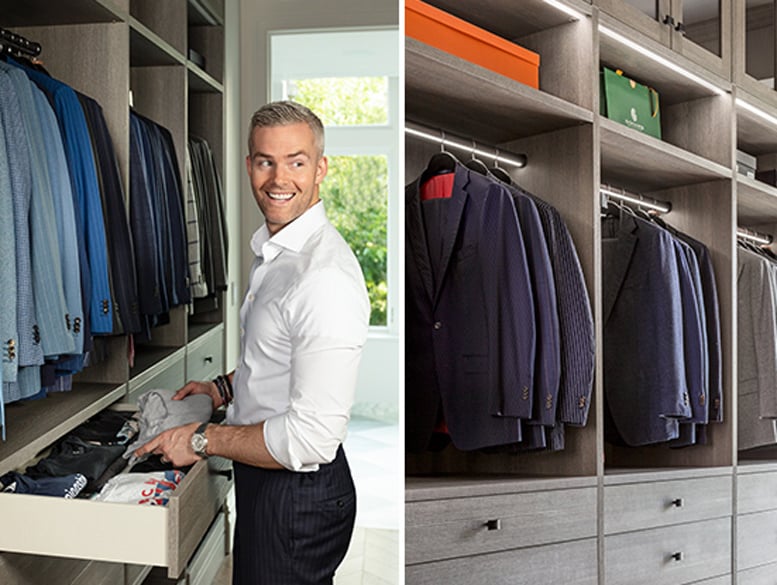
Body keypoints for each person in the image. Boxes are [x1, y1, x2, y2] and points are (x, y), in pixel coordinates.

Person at [135, 100, 371, 585]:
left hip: (297, 493)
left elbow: (311, 438)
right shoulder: (276, 252)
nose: (278, 178)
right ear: (249, 166)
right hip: (268, 477)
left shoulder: (321, 277)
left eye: (296, 162)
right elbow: (279, 359)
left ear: (321, 168)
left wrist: (201, 440)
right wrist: (223, 388)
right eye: (266, 161)